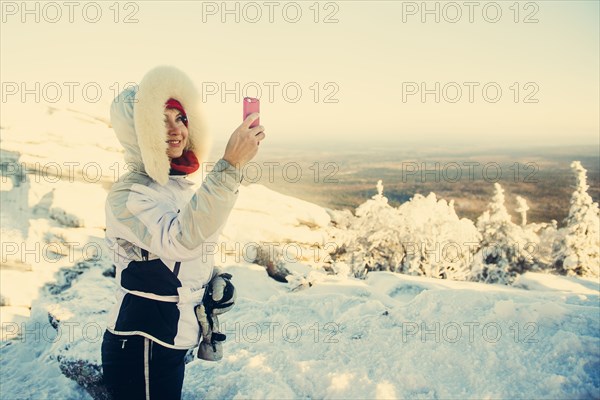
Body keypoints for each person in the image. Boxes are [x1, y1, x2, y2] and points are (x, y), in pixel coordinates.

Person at [101, 65, 265, 400]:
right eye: (161, 120)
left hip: (171, 338)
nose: (175, 130)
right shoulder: (129, 195)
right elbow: (179, 240)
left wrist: (209, 279)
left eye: (180, 118)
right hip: (141, 342)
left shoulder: (175, 186)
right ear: (138, 132)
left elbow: (180, 252)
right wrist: (230, 166)